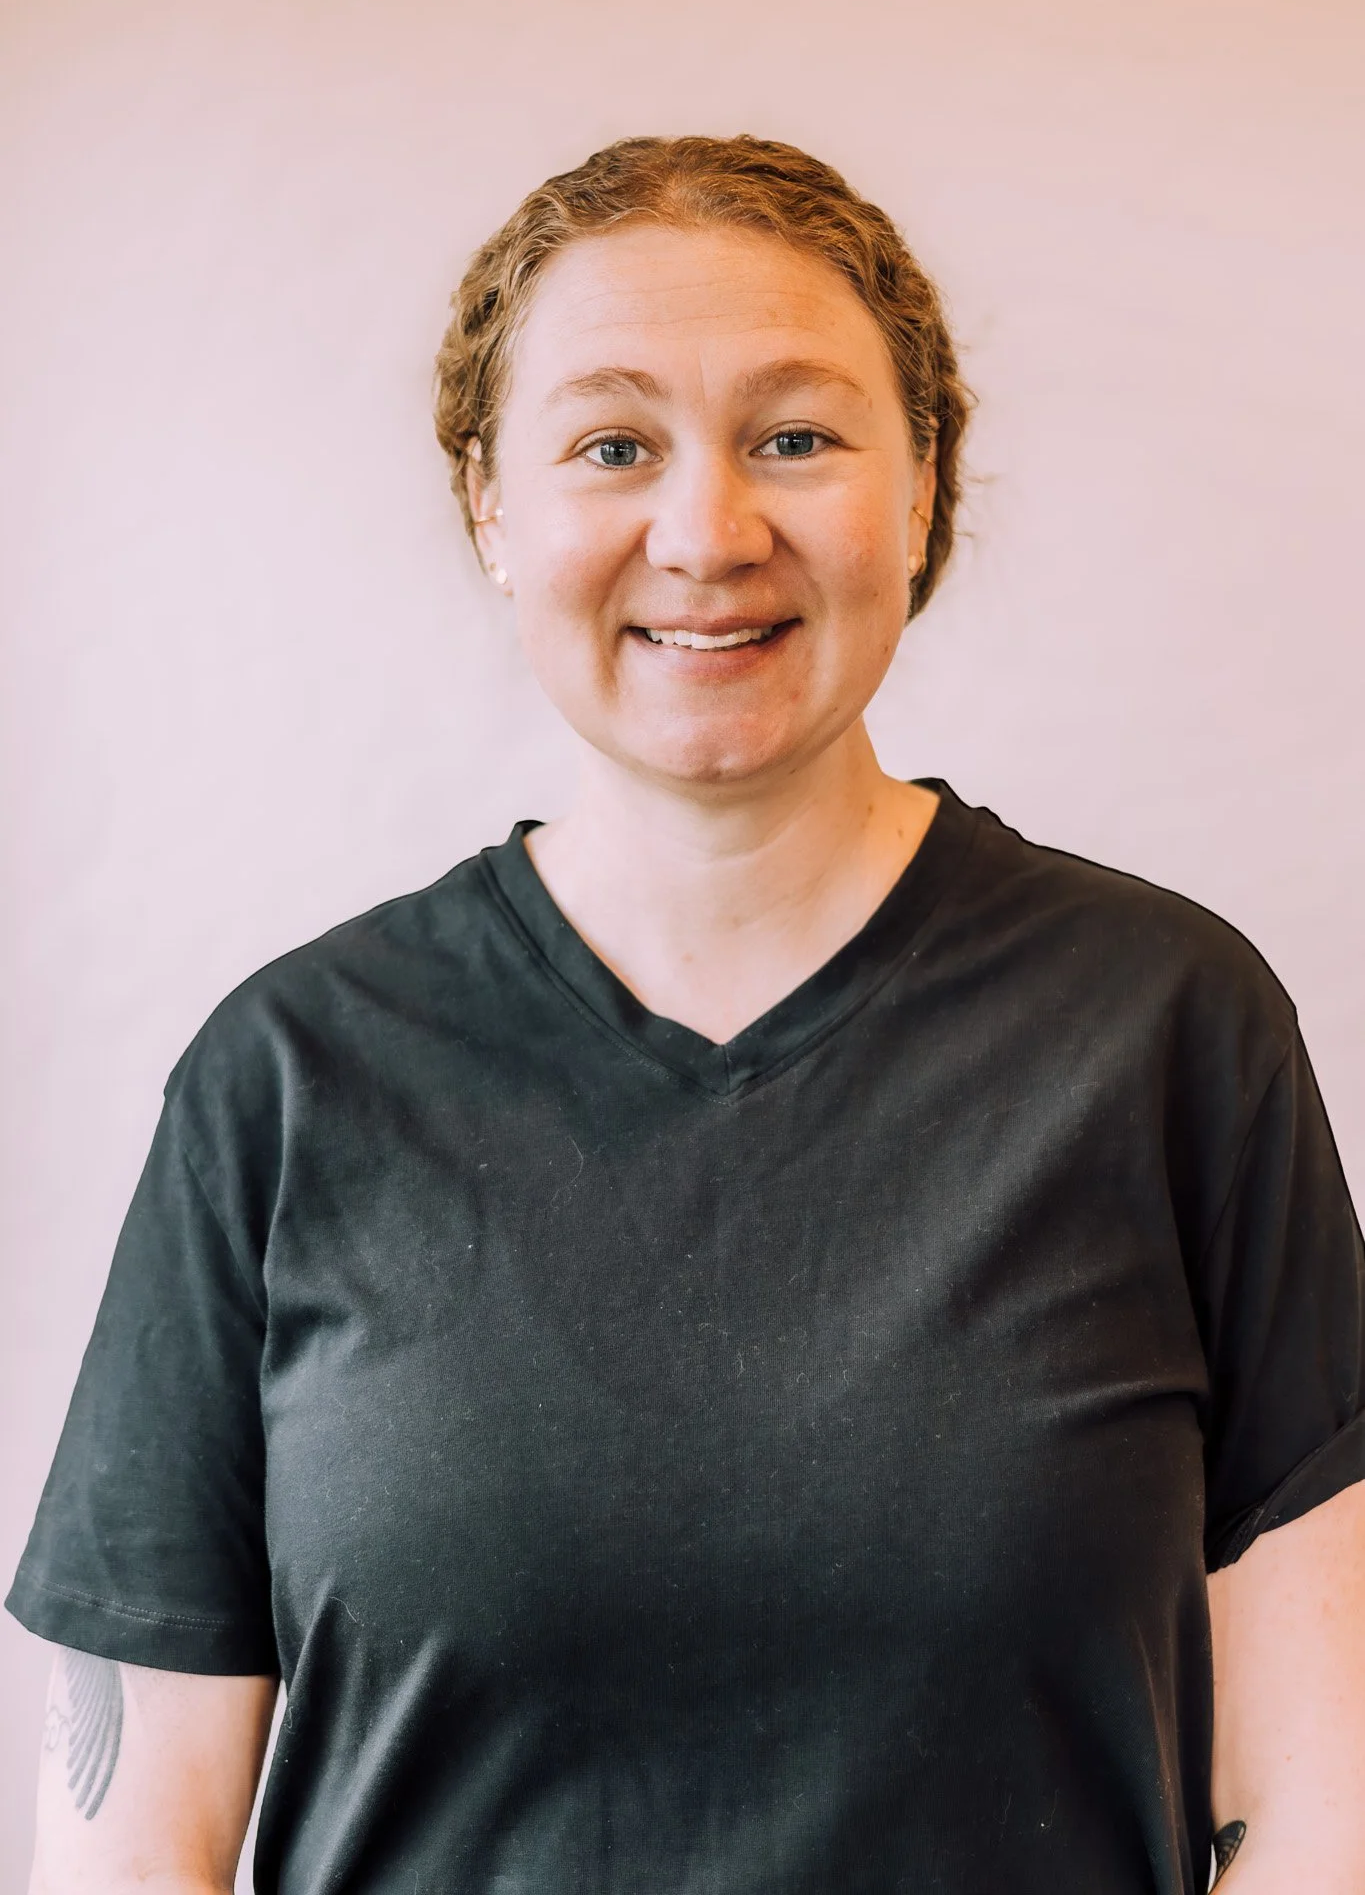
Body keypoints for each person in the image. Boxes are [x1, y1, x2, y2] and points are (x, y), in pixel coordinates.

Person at [9, 134, 1365, 1895]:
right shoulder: (288, 1078)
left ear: (924, 484)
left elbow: (1324, 1806)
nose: (710, 532)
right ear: (492, 507)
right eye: (613, 445)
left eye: (796, 436)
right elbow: (132, 1852)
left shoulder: (1171, 1030)